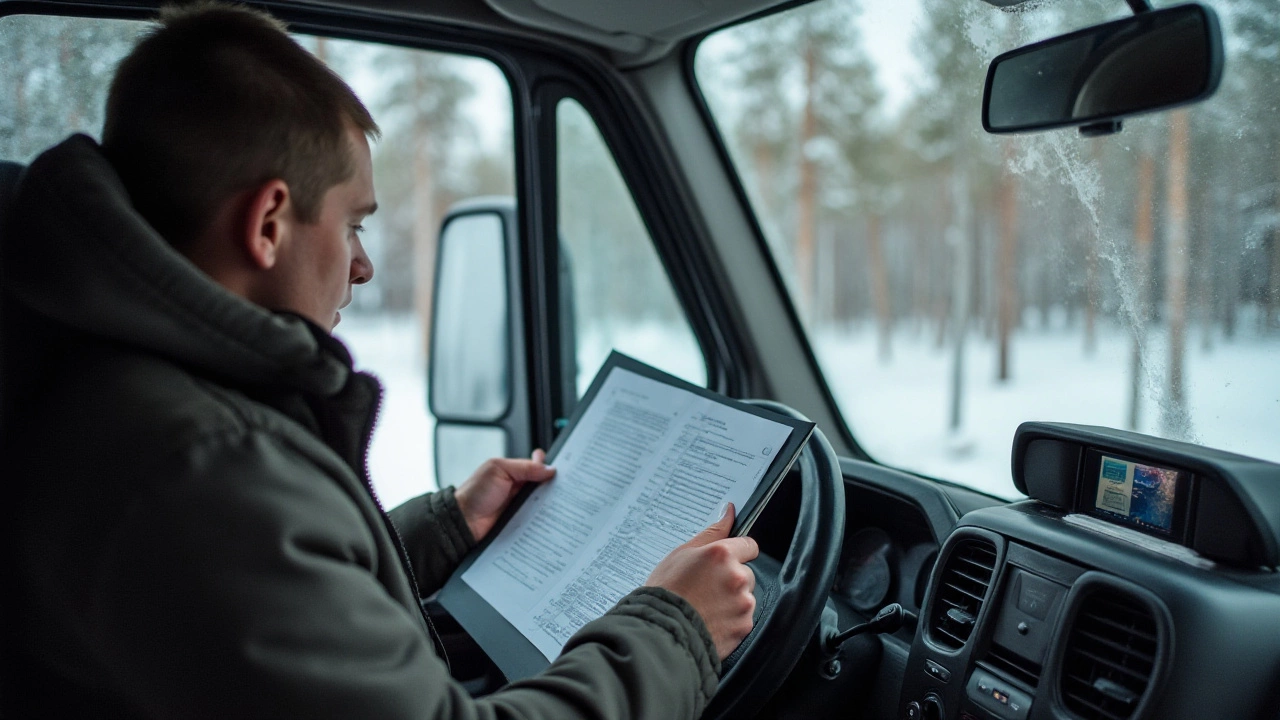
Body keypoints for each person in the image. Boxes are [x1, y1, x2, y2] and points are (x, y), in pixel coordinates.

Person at [1, 4, 758, 718]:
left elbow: (264, 600)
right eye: (353, 224)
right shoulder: (198, 461)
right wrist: (678, 626)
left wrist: (446, 527)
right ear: (267, 223)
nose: (361, 267)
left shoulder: (128, 388)